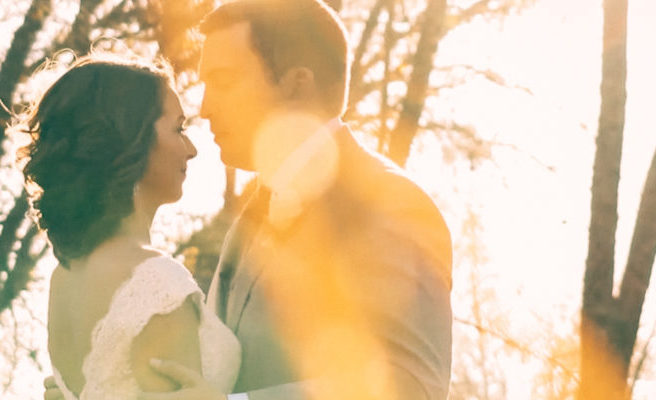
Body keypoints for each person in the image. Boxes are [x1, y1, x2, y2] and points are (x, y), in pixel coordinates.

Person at [138, 0, 454, 399]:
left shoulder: (390, 202)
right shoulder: (250, 216)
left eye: (225, 81)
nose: (204, 108)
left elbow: (410, 387)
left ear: (297, 82)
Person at [21, 53, 239, 400]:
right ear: (133, 140)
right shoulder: (156, 283)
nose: (192, 149)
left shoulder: (65, 277)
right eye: (178, 129)